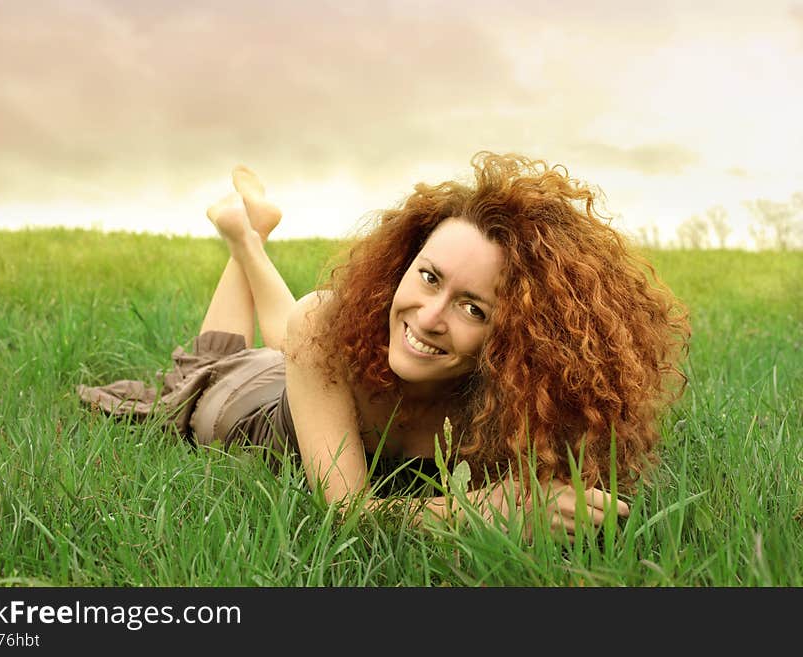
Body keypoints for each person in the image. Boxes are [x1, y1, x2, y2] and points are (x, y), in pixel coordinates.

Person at [78, 152, 690, 538]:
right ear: (404, 261)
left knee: (296, 337)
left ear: (522, 336)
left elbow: (565, 496)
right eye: (428, 277)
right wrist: (484, 511)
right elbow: (347, 518)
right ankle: (246, 238)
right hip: (243, 403)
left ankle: (249, 231)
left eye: (473, 308)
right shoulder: (328, 327)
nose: (428, 316)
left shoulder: (519, 405)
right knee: (217, 360)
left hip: (302, 368)